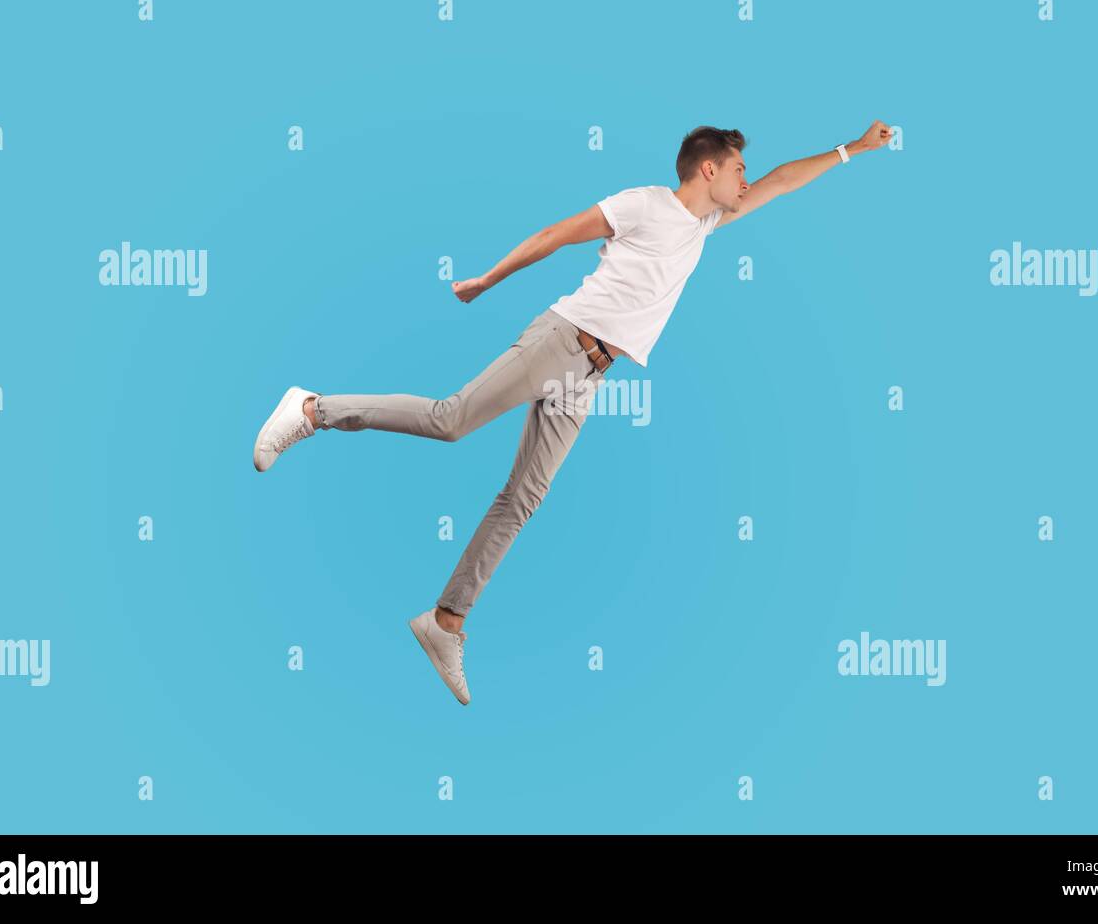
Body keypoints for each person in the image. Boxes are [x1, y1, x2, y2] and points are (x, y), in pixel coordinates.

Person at [253, 121, 894, 704]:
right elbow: (555, 236)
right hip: (562, 339)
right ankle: (312, 408)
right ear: (708, 169)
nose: (745, 180)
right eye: (737, 170)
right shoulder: (646, 205)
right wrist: (485, 280)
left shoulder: (703, 228)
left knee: (524, 497)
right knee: (450, 420)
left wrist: (853, 150)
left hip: (589, 373)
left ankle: (446, 621)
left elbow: (781, 183)